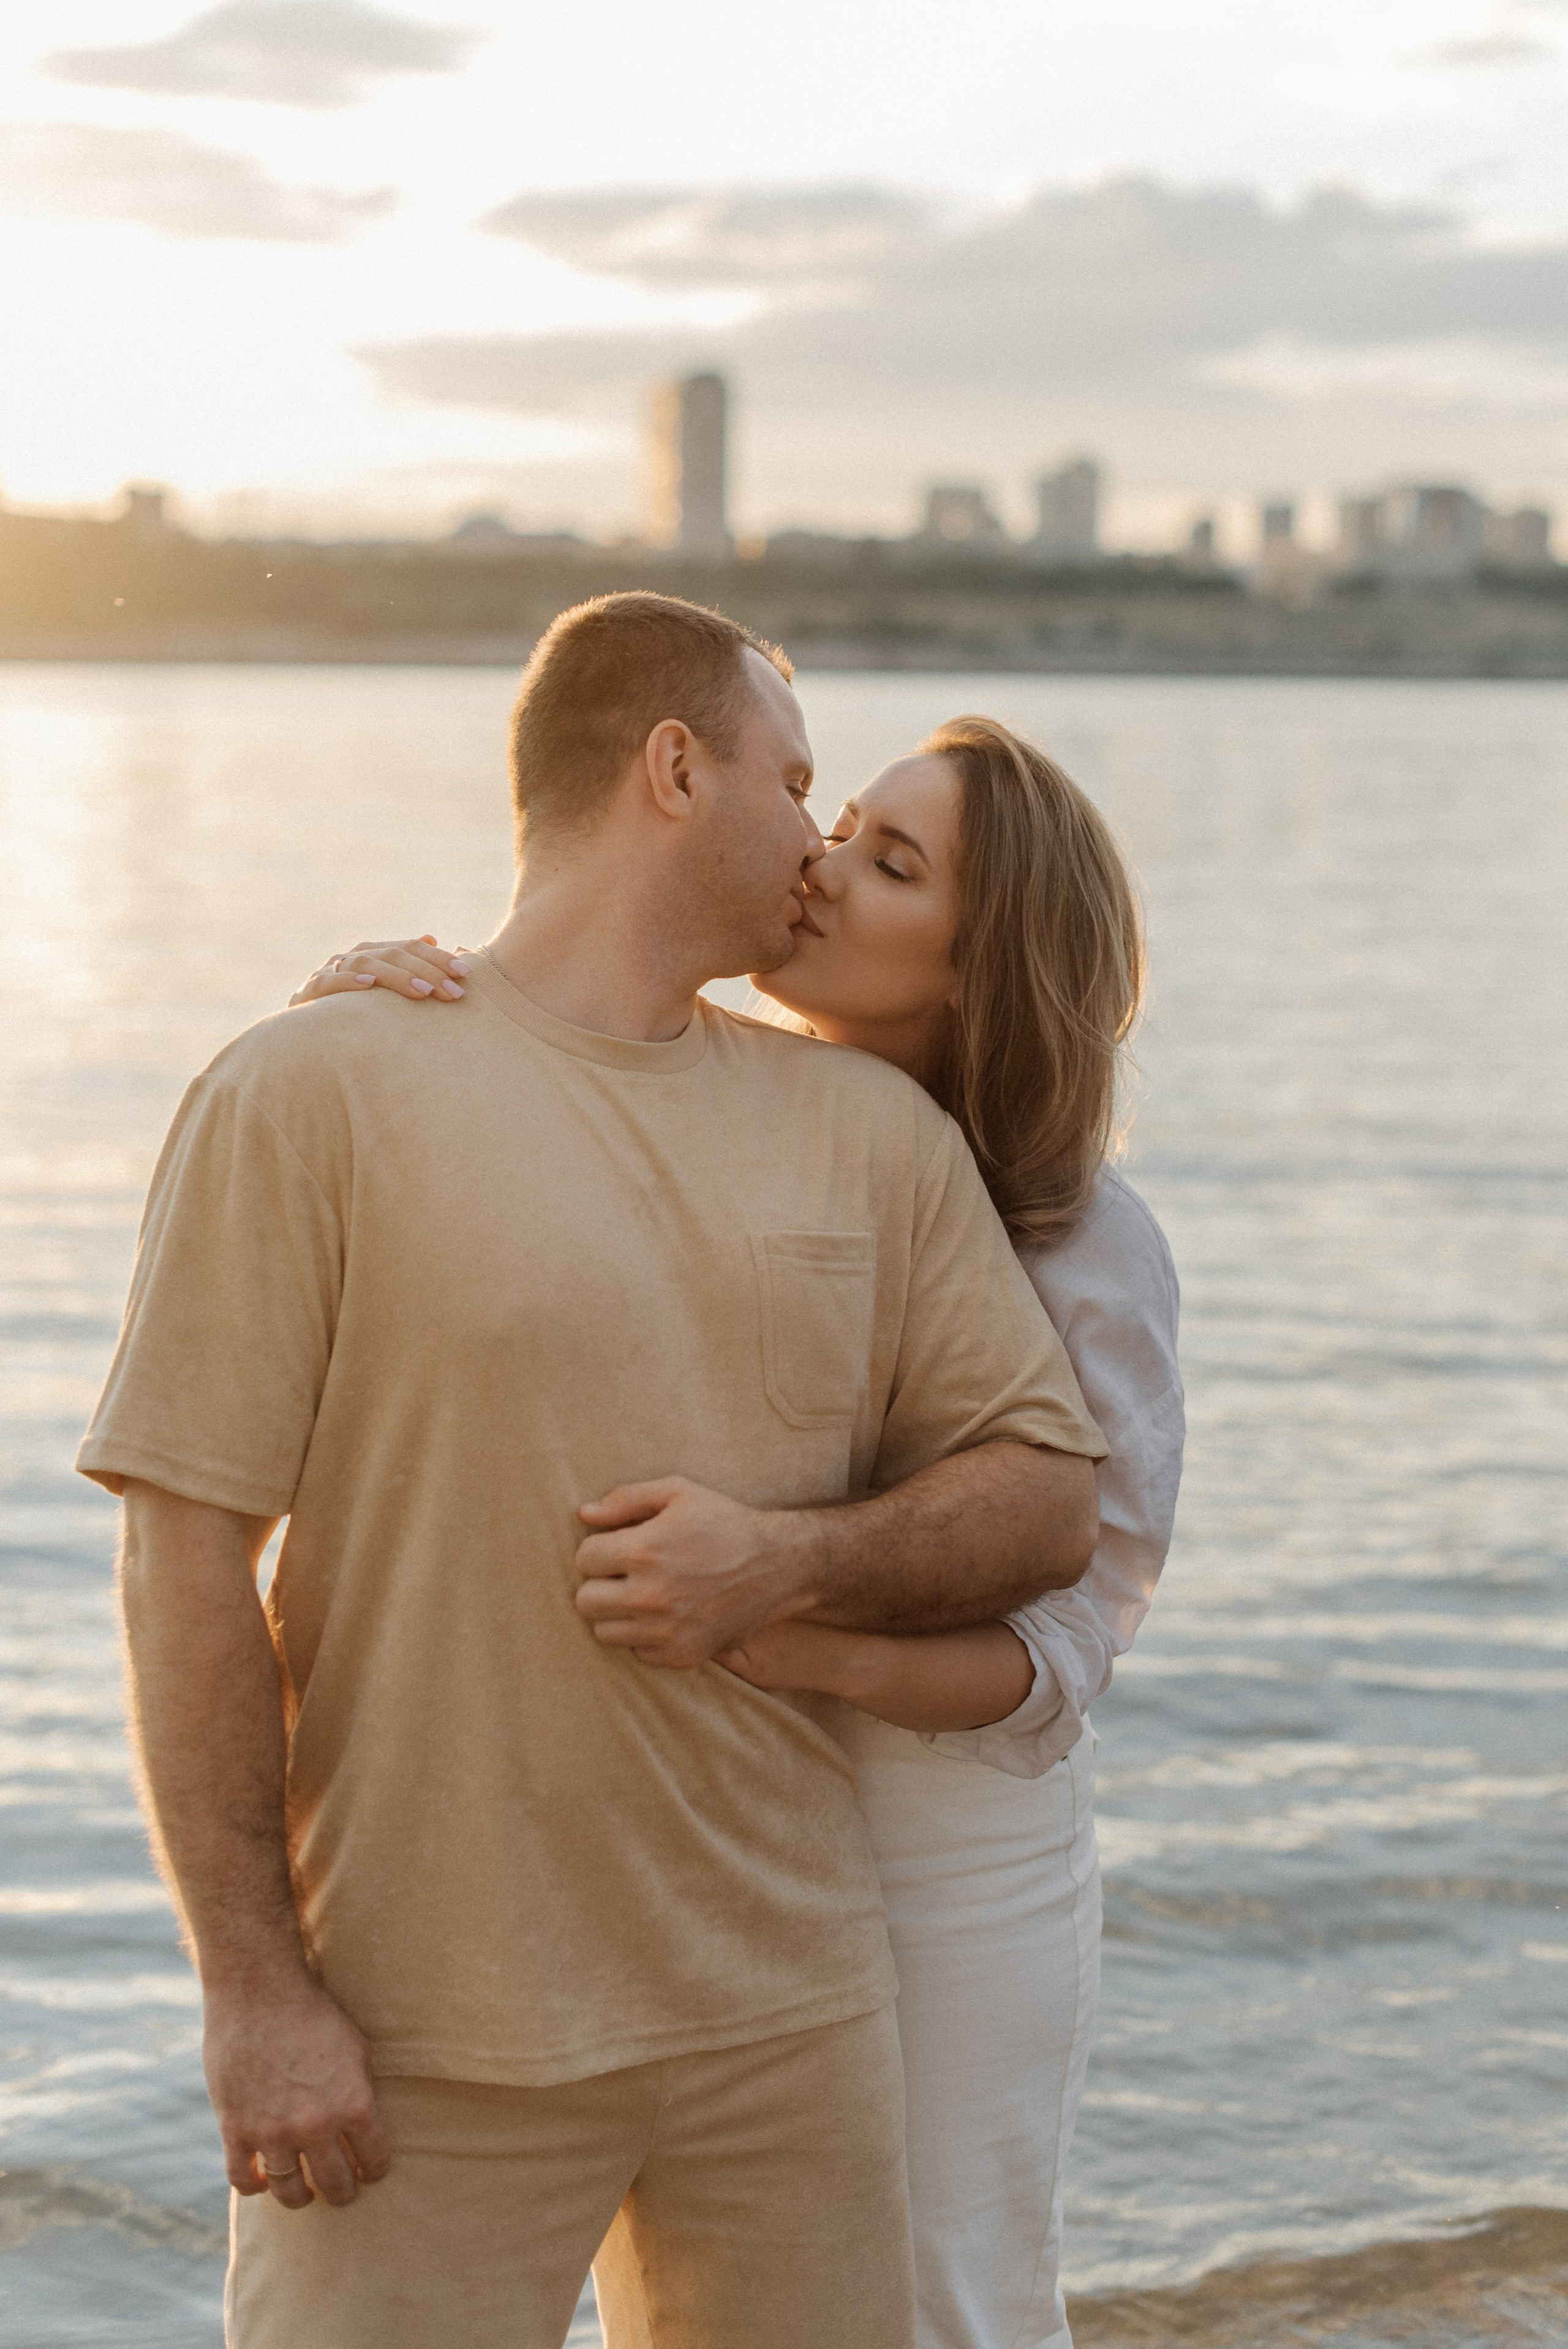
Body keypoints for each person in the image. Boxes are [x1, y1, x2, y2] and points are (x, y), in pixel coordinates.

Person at [78, 594, 1108, 2349]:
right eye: (797, 784)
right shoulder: (309, 1085)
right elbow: (184, 1564)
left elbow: (1046, 1498)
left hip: (791, 2032)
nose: (817, 845)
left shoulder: (871, 1136)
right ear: (675, 768)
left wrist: (789, 1565)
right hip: (418, 2047)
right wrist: (255, 1996)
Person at [293, 712, 1184, 2349]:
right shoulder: (716, 1097)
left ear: (981, 972)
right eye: (840, 818)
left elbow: (1069, 1648)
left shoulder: (1077, 1239)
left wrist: (789, 1626)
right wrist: (395, 1013)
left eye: (892, 863)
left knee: (944, 2300)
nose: (821, 862)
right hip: (703, 1837)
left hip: (941, 1851)